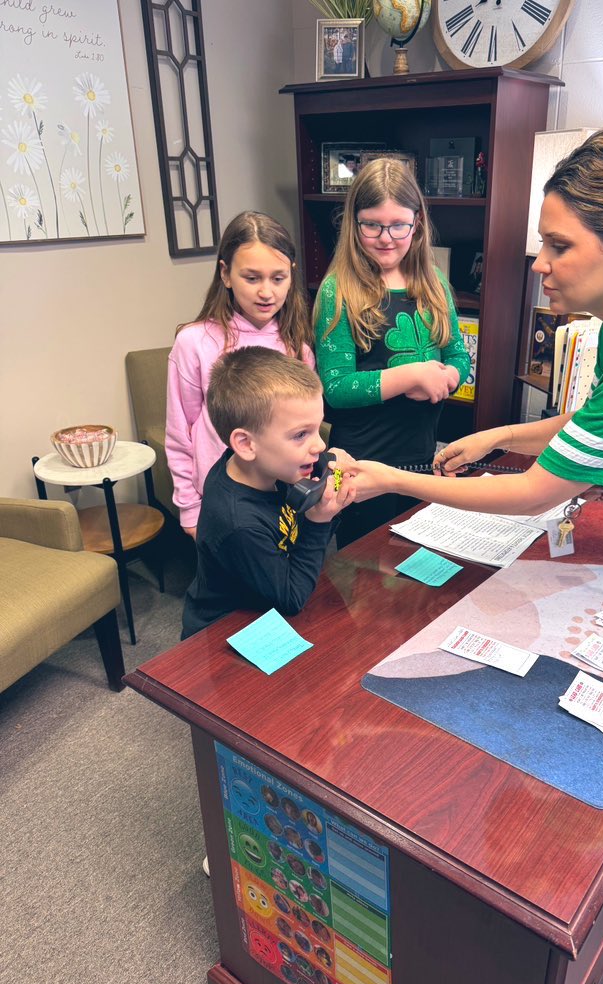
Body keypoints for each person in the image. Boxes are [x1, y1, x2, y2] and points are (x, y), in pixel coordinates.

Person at [344, 123, 603, 944]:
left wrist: (393, 479)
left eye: (560, 245)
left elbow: (538, 493)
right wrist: (499, 433)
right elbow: (596, 423)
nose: (540, 262)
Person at [314, 157, 471, 547]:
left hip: (420, 459)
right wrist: (411, 376)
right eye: (372, 225)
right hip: (360, 467)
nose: (386, 238)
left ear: (417, 224)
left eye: (399, 225)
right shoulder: (338, 291)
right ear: (354, 224)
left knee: (413, 559)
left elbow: (459, 357)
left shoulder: (434, 283)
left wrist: (446, 378)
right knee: (365, 565)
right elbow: (336, 388)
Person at [180, 347, 354, 640]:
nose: (319, 446)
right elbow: (292, 599)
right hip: (229, 631)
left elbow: (320, 460)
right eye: (301, 434)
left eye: (316, 429)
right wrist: (319, 521)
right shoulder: (239, 523)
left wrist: (333, 467)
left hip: (267, 596)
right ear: (246, 444)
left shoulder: (267, 466)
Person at [166, 211, 315, 538]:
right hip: (219, 500)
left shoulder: (297, 347)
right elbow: (180, 433)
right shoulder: (194, 342)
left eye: (278, 278)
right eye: (252, 278)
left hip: (282, 499)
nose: (267, 292)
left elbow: (301, 432)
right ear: (226, 274)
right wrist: (189, 509)